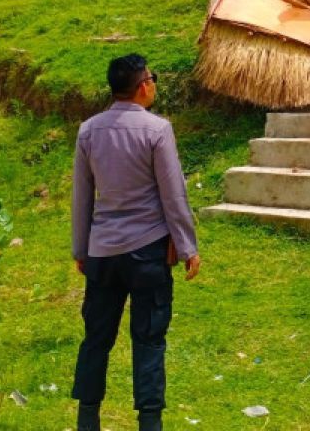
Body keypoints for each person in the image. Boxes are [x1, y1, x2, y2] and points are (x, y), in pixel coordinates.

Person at [71, 53, 201, 431]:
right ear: (143, 85)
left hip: (103, 252)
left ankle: (87, 420)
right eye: (153, 78)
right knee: (148, 340)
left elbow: (82, 196)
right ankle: (149, 423)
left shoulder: (88, 131)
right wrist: (187, 246)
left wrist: (81, 249)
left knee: (96, 338)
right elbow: (173, 195)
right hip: (148, 252)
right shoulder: (157, 130)